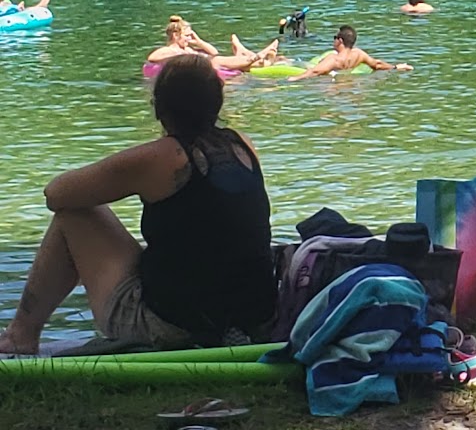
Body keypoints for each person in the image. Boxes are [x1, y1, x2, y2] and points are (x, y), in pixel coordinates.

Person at [0, 54, 275, 354]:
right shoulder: (242, 145)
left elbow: (56, 194)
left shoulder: (163, 157)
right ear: (217, 104)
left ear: (159, 108)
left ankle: (20, 335)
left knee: (74, 215)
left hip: (176, 327)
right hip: (250, 319)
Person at [147, 16, 274, 74]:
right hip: (209, 65)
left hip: (212, 62)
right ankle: (257, 57)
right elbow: (152, 58)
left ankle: (256, 58)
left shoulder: (188, 48)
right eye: (187, 36)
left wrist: (198, 41)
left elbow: (214, 52)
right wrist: (179, 56)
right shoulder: (168, 50)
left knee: (218, 59)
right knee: (218, 61)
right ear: (176, 36)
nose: (188, 39)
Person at [289, 25, 412, 78]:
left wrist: (291, 80)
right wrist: (396, 67)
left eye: (334, 38)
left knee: (289, 61)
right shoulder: (359, 54)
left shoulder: (333, 59)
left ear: (340, 41)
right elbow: (377, 64)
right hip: (348, 83)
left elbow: (315, 72)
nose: (333, 41)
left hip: (331, 87)